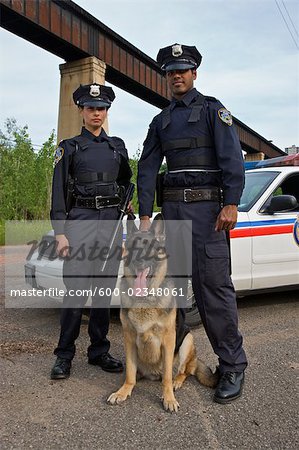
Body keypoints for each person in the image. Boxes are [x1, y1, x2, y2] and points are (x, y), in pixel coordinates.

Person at [137, 44, 247, 404]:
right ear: (166, 77)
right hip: (170, 217)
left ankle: (232, 366)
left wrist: (231, 202)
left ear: (194, 73)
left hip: (206, 216)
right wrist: (143, 213)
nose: (177, 76)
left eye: (183, 70)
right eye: (171, 72)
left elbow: (232, 157)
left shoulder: (214, 111)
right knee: (169, 294)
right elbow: (148, 168)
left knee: (213, 291)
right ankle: (174, 360)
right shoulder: (161, 121)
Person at [50, 83, 132, 379]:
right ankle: (64, 355)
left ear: (107, 111)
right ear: (81, 111)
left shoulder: (118, 147)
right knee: (75, 292)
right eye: (91, 108)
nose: (96, 113)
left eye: (101, 108)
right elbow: (58, 191)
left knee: (102, 292)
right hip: (80, 221)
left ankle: (99, 351)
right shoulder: (68, 147)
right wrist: (60, 232)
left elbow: (125, 183)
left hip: (110, 223)